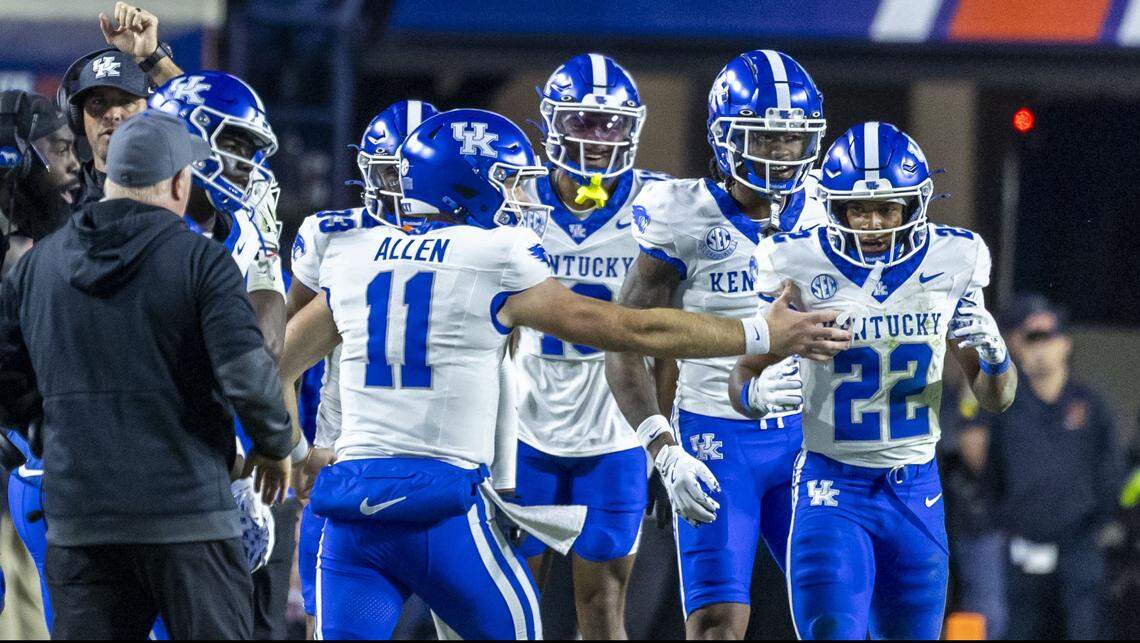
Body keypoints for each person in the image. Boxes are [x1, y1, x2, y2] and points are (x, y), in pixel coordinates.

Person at [279, 108, 851, 640]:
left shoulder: (352, 258)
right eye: (504, 181)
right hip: (442, 508)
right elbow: (631, 332)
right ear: (468, 185)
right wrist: (760, 335)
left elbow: (273, 366)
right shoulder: (496, 254)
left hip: (348, 511)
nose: (518, 197)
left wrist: (292, 447)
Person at [0, 110, 295, 639]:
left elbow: (6, 378)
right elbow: (247, 373)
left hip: (80, 517)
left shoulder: (37, 264)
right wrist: (274, 444)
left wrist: (53, 436)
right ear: (181, 181)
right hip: (188, 518)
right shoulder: (200, 261)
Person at [730, 122, 1018, 639]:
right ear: (832, 206)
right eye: (856, 209)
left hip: (916, 491)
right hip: (832, 485)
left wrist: (998, 358)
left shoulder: (953, 260)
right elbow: (742, 377)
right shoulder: (794, 261)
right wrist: (756, 395)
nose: (872, 223)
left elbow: (995, 400)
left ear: (914, 205)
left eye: (888, 208)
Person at [604, 49, 828, 639]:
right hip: (716, 437)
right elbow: (625, 339)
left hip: (814, 437)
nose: (782, 152)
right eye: (766, 137)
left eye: (792, 138)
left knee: (841, 613)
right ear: (725, 136)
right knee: (716, 624)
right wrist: (663, 450)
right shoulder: (683, 216)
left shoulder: (832, 212)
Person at [512, 53, 665, 639]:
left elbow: (665, 338)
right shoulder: (515, 203)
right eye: (583, 121)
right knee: (509, 602)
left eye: (611, 123)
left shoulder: (655, 208)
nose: (599, 137)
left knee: (602, 606)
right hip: (525, 430)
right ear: (553, 122)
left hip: (615, 436)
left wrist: (661, 438)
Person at [148, 70, 295, 638]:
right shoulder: (151, 233)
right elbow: (251, 350)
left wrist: (262, 244)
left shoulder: (230, 231)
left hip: (236, 466)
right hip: (177, 472)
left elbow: (272, 347)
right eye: (232, 146)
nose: (244, 165)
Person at [288, 98, 441, 638]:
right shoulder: (332, 233)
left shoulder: (481, 243)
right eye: (388, 174)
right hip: (349, 461)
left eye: (413, 174)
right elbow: (283, 349)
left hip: (444, 463)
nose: (400, 191)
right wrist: (296, 449)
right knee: (328, 625)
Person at [981, 293, 1124, 639]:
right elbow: (992, 474)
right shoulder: (1006, 408)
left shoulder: (1091, 406)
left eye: (1049, 337)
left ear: (1066, 344)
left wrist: (1098, 524)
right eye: (1032, 338)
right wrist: (1004, 520)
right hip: (1022, 549)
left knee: (1082, 630)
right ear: (1020, 345)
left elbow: (1111, 469)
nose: (1041, 348)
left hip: (1079, 548)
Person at [60, 2, 185, 210]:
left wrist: (153, 57)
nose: (112, 114)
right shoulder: (57, 200)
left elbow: (207, 116)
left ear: (153, 113)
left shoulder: (178, 192)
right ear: (77, 116)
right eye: (98, 102)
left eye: (127, 101)